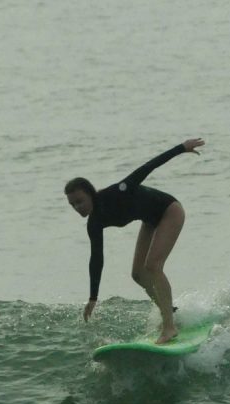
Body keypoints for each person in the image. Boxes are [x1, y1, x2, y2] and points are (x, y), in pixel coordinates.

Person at [65, 138, 205, 344]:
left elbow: (147, 167)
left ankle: (169, 327)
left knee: (153, 266)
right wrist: (93, 297)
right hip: (150, 220)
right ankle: (171, 313)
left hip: (169, 211)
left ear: (91, 194)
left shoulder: (116, 192)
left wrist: (181, 148)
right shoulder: (94, 223)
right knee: (138, 274)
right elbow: (97, 258)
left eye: (80, 201)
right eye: (72, 204)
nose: (77, 207)